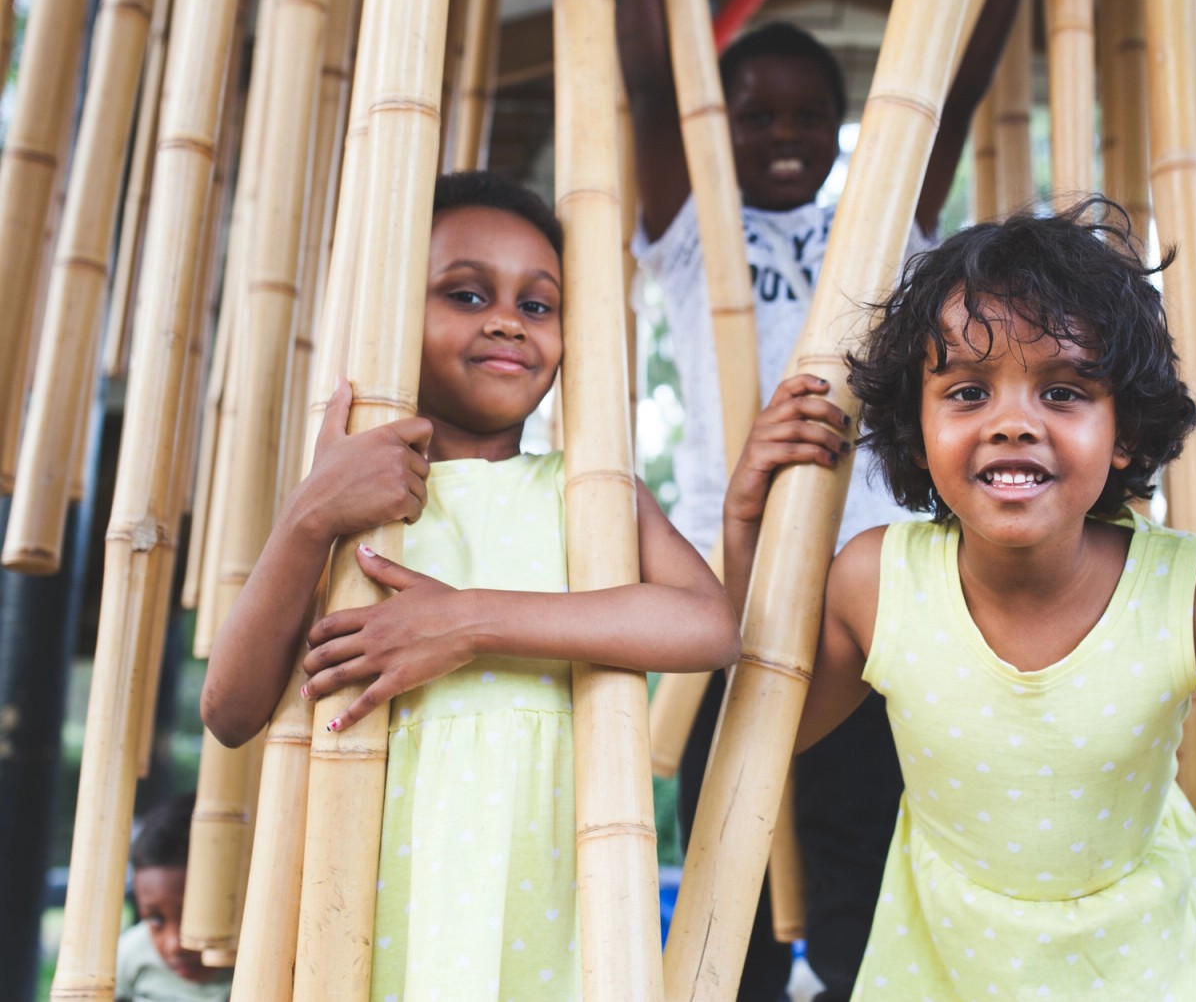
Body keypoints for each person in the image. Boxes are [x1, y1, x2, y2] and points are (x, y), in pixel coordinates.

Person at [725, 202, 1196, 999]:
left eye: (1063, 391)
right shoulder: (878, 584)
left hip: (1148, 973)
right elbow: (759, 733)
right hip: (940, 973)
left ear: (1124, 431)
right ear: (916, 423)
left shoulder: (1192, 595)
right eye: (970, 391)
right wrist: (746, 527)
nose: (1014, 422)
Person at [611, 0, 1064, 995]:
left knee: (866, 847)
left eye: (806, 115)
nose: (779, 134)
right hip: (741, 581)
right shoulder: (690, 219)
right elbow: (655, 87)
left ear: (838, 127)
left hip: (875, 596)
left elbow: (952, 82)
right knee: (735, 859)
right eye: (754, 112)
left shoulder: (879, 226)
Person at [200, 171, 741, 999]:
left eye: (537, 304)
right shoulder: (349, 507)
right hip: (373, 897)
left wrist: (468, 623)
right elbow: (232, 709)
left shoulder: (586, 495)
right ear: (393, 313)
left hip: (560, 890)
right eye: (465, 293)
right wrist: (311, 513)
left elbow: (707, 625)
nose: (504, 321)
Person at [115, 793, 233, 1001]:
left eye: (193, 917)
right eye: (156, 919)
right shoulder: (131, 956)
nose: (174, 945)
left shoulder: (272, 970)